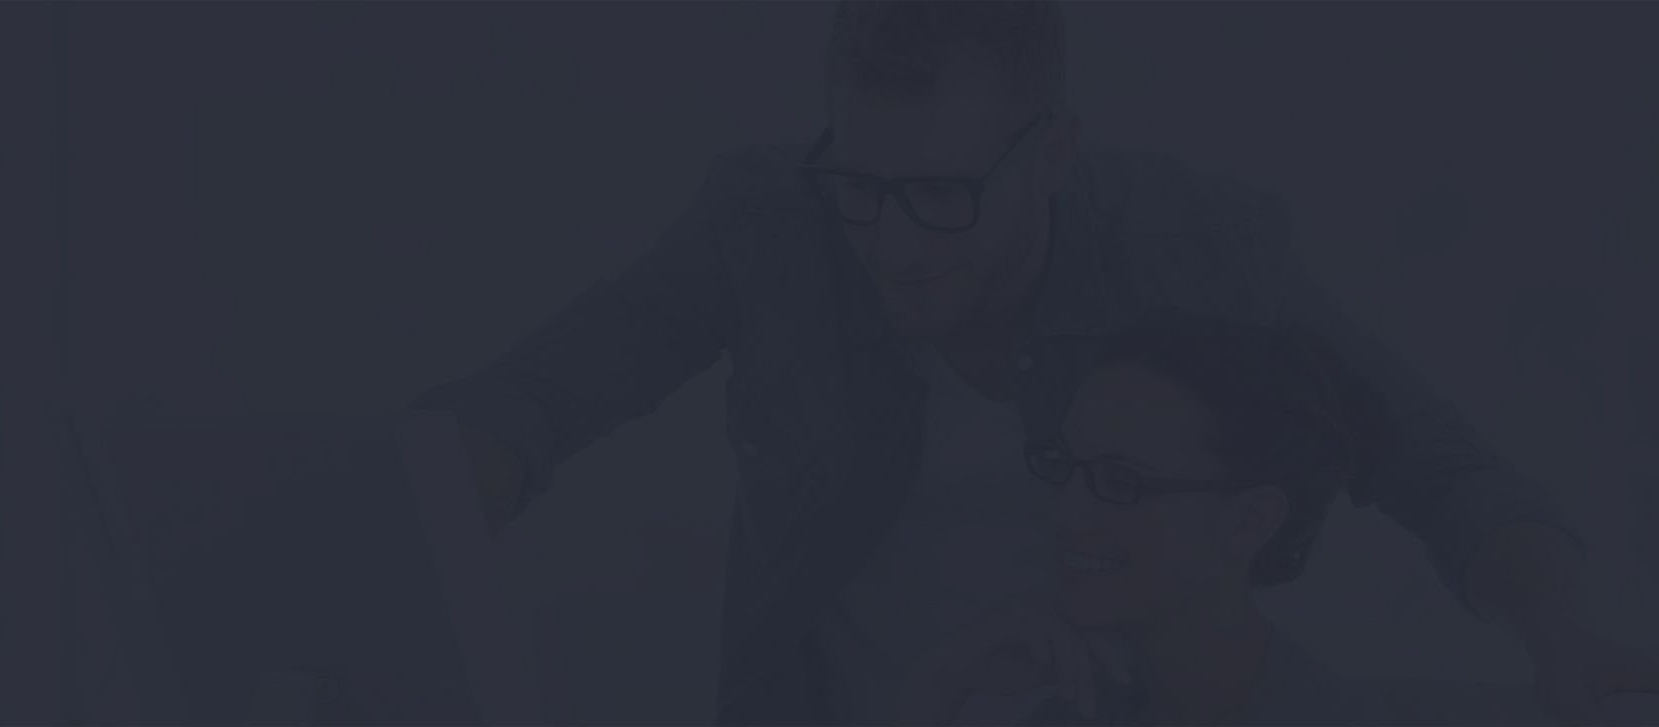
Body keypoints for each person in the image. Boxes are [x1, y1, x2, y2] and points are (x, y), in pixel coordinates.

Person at [407, 2, 1656, 724]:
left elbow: (1430, 457)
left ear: (1052, 153)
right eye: (861, 187)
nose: (894, 245)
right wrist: (415, 535)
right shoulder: (767, 218)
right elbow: (539, 396)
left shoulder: (1186, 238)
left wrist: (1559, 630)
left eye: (942, 194)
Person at [901, 313, 1393, 725]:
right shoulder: (1073, 712)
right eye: (1064, 464)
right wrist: (940, 684)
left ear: (1249, 521)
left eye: (1121, 482)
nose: (1066, 513)